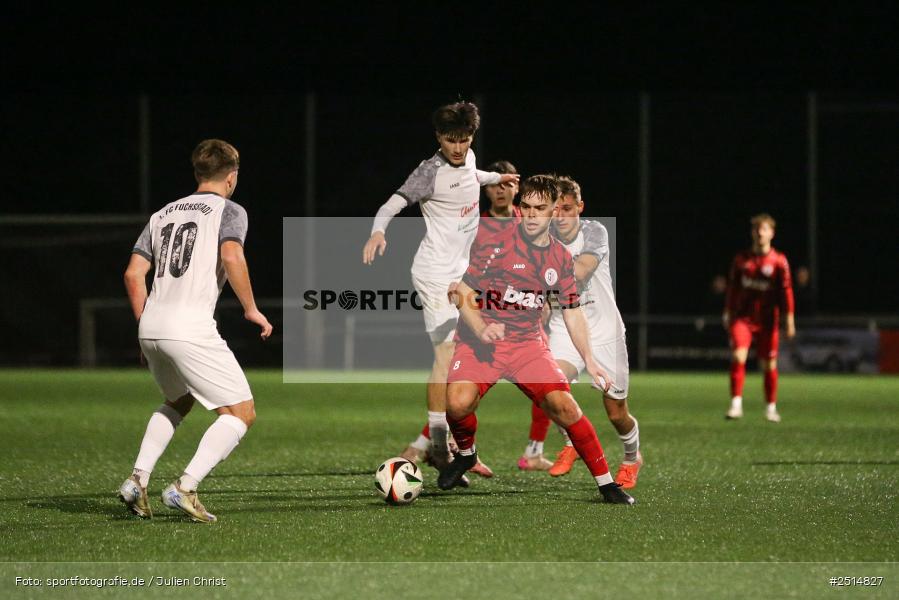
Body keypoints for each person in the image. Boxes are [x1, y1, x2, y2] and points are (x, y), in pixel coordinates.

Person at [437, 174, 635, 505]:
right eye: (526, 207)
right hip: (479, 342)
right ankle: (467, 455)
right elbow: (464, 291)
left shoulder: (559, 258)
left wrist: (589, 359)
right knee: (457, 403)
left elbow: (572, 312)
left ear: (554, 212)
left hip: (526, 345)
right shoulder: (497, 244)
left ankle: (607, 484)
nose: (530, 215)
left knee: (565, 406)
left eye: (540, 209)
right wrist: (481, 326)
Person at [119, 139, 273, 523]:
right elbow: (231, 254)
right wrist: (251, 309)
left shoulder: (161, 214)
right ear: (232, 177)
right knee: (241, 412)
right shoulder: (230, 209)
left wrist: (143, 329)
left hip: (152, 324)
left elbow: (133, 274)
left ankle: (137, 479)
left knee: (179, 400)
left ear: (197, 174)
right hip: (189, 326)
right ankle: (185, 487)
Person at [362, 102, 518, 478]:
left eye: (464, 140)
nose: (458, 148)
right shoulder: (428, 172)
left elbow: (471, 176)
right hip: (434, 274)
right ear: (438, 138)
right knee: (447, 355)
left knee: (471, 359)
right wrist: (377, 231)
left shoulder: (470, 159)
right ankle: (437, 445)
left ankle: (447, 443)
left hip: (463, 276)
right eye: (451, 141)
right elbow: (392, 202)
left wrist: (494, 178)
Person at [526, 176, 643, 489]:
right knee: (549, 389)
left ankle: (632, 458)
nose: (561, 216)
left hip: (604, 331)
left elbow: (580, 271)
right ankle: (571, 442)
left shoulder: (594, 231)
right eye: (556, 209)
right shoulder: (541, 236)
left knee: (617, 413)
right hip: (565, 329)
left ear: (580, 207)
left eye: (567, 208)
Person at [723, 213, 795, 422]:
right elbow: (733, 288)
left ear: (772, 233)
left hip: (767, 320)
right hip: (743, 318)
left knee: (769, 365)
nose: (759, 233)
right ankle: (736, 405)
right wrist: (727, 311)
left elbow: (786, 292)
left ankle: (771, 408)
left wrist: (789, 319)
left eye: (763, 229)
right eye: (756, 229)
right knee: (739, 356)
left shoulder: (779, 262)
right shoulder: (741, 260)